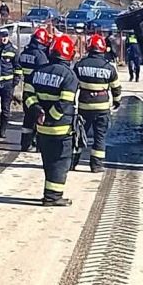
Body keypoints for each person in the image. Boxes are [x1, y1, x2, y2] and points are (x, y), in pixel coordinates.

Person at [24, 34, 79, 207]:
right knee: (61, 162)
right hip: (60, 129)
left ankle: (50, 193)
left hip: (42, 129)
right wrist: (51, 118)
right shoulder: (69, 76)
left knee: (48, 161)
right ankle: (53, 197)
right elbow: (65, 103)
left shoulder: (37, 72)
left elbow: (28, 95)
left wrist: (38, 111)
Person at [74, 33, 122, 171]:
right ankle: (96, 165)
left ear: (89, 48)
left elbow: (71, 85)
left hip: (84, 107)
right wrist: (117, 101)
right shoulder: (109, 67)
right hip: (102, 109)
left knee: (79, 136)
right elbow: (116, 87)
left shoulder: (80, 65)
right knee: (99, 137)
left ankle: (72, 163)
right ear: (103, 49)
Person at [18, 28, 52, 151]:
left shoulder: (25, 52)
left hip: (26, 89)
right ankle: (37, 144)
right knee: (39, 116)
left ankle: (25, 144)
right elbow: (44, 72)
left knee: (28, 117)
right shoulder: (40, 56)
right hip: (37, 91)